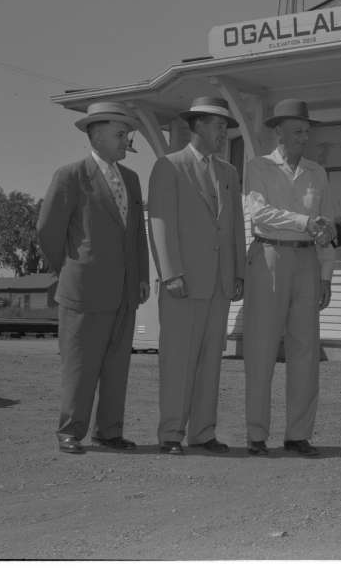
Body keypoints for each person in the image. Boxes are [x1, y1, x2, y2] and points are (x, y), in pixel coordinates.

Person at [37, 101, 151, 455]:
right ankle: (70, 431)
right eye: (120, 134)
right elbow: (47, 231)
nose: (126, 141)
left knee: (117, 365)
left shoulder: (131, 180)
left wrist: (142, 277)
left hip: (125, 291)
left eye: (127, 134)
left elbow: (136, 234)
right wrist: (70, 269)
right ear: (96, 135)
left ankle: (109, 432)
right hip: (83, 290)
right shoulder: (69, 176)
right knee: (80, 364)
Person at [147, 97, 246, 455]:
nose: (224, 133)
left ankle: (203, 433)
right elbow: (160, 222)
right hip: (183, 283)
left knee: (210, 362)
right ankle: (171, 433)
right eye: (219, 126)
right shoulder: (168, 166)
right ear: (199, 125)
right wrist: (171, 273)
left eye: (225, 127)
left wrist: (238, 273)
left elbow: (235, 225)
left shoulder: (229, 173)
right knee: (177, 361)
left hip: (219, 284)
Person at [242, 99, 336, 457]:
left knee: (305, 350)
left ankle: (298, 434)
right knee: (262, 347)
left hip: (307, 262)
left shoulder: (318, 172)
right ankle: (256, 434)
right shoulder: (258, 167)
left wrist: (326, 275)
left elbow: (326, 223)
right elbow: (260, 215)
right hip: (268, 257)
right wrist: (303, 222)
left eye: (307, 129)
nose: (304, 135)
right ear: (277, 130)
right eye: (297, 129)